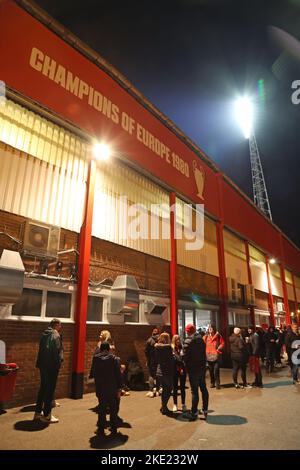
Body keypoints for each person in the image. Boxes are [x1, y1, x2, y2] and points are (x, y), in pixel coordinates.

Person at [34, 318, 63, 423]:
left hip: (43, 365)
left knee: (43, 388)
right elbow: (57, 351)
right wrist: (58, 363)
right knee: (50, 389)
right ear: (56, 325)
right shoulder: (55, 334)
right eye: (60, 325)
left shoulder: (44, 333)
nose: (60, 327)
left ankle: (37, 413)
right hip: (52, 366)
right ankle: (47, 415)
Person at [91, 342, 123, 437]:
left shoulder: (95, 358)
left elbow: (93, 373)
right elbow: (118, 375)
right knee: (113, 409)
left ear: (100, 349)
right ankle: (113, 429)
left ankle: (101, 429)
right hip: (112, 388)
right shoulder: (114, 359)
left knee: (102, 408)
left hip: (101, 388)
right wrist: (120, 388)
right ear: (109, 349)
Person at [183, 324, 209, 420]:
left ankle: (194, 412)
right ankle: (205, 409)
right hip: (202, 367)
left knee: (194, 391)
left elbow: (185, 356)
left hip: (193, 369)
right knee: (203, 388)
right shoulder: (201, 340)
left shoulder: (188, 340)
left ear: (188, 331)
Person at [154, 332, 175, 415]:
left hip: (159, 371)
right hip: (167, 371)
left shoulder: (157, 347)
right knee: (169, 389)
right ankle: (164, 407)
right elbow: (170, 359)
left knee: (165, 389)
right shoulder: (168, 348)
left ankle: (164, 407)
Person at [203, 325, 224, 389]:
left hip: (216, 356)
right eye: (209, 328)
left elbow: (222, 343)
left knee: (216, 371)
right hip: (208, 356)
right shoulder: (206, 337)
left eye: (211, 328)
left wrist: (219, 349)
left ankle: (218, 383)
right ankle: (212, 382)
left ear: (214, 329)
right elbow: (202, 343)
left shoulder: (218, 336)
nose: (210, 329)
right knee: (211, 371)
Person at [171, 335, 187, 412]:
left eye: (179, 339)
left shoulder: (182, 347)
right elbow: (174, 359)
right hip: (174, 370)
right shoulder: (172, 348)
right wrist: (180, 359)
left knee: (183, 388)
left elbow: (184, 357)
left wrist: (181, 360)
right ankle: (175, 404)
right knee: (175, 388)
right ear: (174, 340)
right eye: (176, 339)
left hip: (182, 370)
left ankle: (183, 404)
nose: (178, 341)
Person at [145, 327, 160, 398]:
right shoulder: (160, 340)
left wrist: (147, 360)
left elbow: (146, 352)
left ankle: (151, 390)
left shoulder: (149, 340)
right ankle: (158, 390)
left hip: (151, 360)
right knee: (158, 375)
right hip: (159, 360)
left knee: (151, 375)